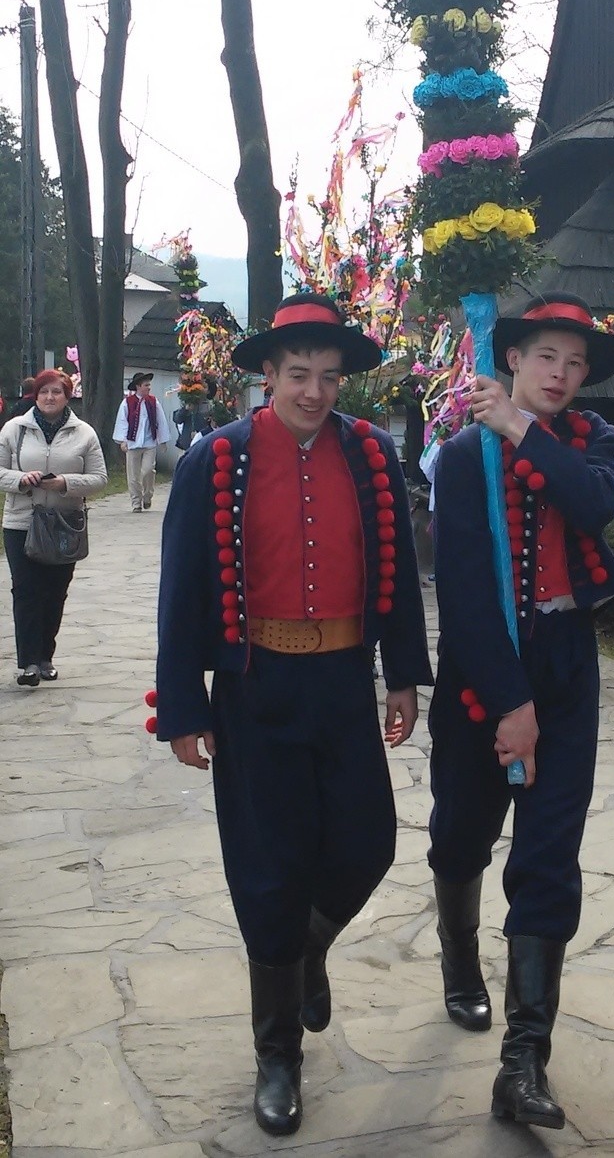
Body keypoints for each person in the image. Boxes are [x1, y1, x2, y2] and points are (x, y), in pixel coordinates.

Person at [153, 292, 432, 1138]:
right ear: (267, 375)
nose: (315, 391)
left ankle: (305, 948)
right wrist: (181, 706)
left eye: (330, 376)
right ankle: (277, 1052)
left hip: (345, 678)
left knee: (367, 843)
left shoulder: (374, 458)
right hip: (256, 687)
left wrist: (404, 675)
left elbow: (400, 568)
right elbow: (182, 587)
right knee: (268, 867)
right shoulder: (219, 459)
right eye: (299, 374)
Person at [428, 293, 614, 1130]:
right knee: (463, 832)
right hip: (486, 659)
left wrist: (518, 427)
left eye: (576, 362)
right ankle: (457, 961)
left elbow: (593, 506)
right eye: (547, 356)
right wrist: (508, 704)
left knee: (550, 853)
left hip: (566, 659)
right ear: (511, 357)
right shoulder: (461, 457)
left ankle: (523, 1061)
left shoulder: (591, 446)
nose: (563, 374)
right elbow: (466, 594)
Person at [0, 368, 107, 686]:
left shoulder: (84, 433)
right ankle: (29, 663)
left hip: (64, 524)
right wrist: (20, 479)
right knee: (26, 591)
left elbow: (99, 478)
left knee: (54, 592)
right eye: (44, 391)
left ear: (67, 396)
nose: (49, 397)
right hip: (22, 522)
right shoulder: (14, 430)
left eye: (56, 392)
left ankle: (46, 655)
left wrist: (65, 483)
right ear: (36, 395)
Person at [112, 371, 170, 511]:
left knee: (148, 470)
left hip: (149, 443)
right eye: (146, 385)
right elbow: (122, 421)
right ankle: (136, 502)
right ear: (138, 386)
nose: (149, 387)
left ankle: (147, 495)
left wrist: (162, 440)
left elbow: (160, 421)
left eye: (149, 385)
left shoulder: (153, 401)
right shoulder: (127, 402)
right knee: (133, 476)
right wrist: (123, 441)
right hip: (133, 443)